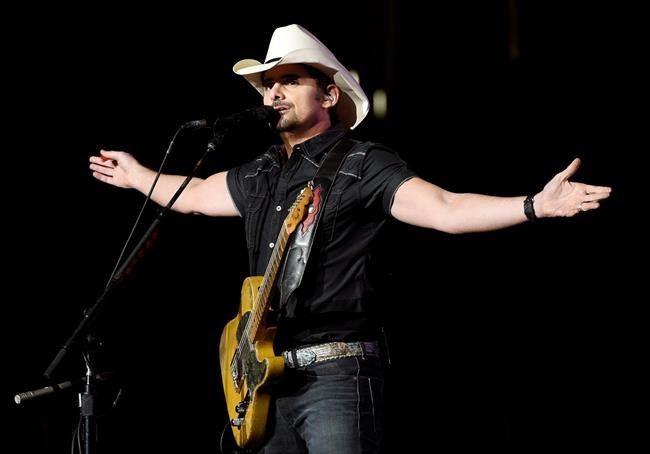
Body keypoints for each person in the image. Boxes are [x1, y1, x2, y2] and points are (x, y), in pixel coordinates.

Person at [89, 24, 611, 454]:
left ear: (329, 95)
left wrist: (534, 205)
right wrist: (137, 175)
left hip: (336, 374)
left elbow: (445, 209)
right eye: (268, 85)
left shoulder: (363, 163)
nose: (273, 93)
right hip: (265, 380)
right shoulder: (263, 171)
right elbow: (196, 195)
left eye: (290, 81)